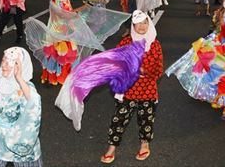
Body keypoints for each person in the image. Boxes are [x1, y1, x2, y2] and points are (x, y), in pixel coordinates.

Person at [55, 11, 162, 164]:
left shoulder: (155, 44)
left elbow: (159, 70)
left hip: (148, 91)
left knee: (146, 119)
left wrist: (145, 71)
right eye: (138, 23)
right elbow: (113, 62)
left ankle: (145, 144)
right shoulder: (126, 43)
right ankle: (111, 147)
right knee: (119, 119)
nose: (142, 26)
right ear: (133, 26)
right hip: (128, 91)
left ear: (149, 24)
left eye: (145, 22)